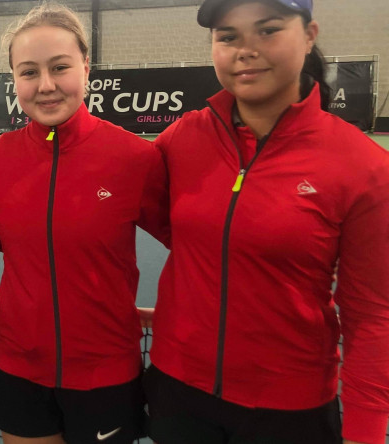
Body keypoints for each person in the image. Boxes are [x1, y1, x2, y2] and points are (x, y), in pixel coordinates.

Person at [144, 1, 389, 443]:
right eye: (228, 37)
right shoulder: (183, 138)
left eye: (268, 30)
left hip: (289, 409)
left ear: (309, 35)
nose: (246, 49)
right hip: (177, 392)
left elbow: (372, 313)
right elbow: (138, 203)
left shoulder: (363, 166)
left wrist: (365, 430)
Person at [0, 3, 169, 443]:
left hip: (106, 375)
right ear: (14, 79)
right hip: (19, 369)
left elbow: (195, 242)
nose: (46, 85)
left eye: (60, 67)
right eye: (29, 72)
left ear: (86, 69)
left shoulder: (135, 158)